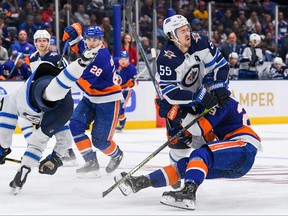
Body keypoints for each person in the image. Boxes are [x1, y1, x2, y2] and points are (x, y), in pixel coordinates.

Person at [115, 96, 262, 211]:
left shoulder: (223, 101)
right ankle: (140, 182)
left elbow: (199, 129)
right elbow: (205, 142)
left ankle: (188, 193)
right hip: (236, 163)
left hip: (244, 146)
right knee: (187, 165)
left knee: (201, 154)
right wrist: (187, 139)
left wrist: (175, 113)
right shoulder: (213, 104)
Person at [0, 47, 99, 195]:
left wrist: (54, 159)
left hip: (43, 110)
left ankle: (23, 166)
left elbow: (61, 83)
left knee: (55, 139)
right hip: (38, 109)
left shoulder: (61, 107)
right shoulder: (19, 97)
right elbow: (62, 82)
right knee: (44, 140)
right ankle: (22, 165)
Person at [154, 14, 230, 186]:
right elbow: (170, 92)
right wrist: (199, 97)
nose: (187, 33)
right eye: (182, 31)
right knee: (179, 146)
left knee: (207, 142)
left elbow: (220, 65)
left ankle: (198, 169)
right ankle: (174, 170)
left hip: (203, 95)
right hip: (178, 102)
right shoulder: (166, 58)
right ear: (172, 36)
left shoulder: (200, 42)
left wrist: (219, 87)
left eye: (187, 28)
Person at [62, 23, 124, 178]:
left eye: (95, 40)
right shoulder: (89, 48)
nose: (91, 42)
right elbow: (79, 47)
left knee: (100, 141)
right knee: (75, 125)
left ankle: (117, 155)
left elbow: (81, 84)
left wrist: (60, 82)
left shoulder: (101, 57)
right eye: (89, 39)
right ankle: (91, 162)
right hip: (91, 97)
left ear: (101, 40)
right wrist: (73, 37)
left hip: (108, 101)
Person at [18, 29, 78, 167]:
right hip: (41, 99)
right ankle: (32, 150)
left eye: (44, 40)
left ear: (48, 42)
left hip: (57, 99)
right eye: (39, 41)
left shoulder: (56, 57)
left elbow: (67, 76)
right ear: (35, 43)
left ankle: (67, 153)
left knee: (58, 124)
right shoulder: (32, 58)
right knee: (25, 121)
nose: (42, 43)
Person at [114, 50, 137, 132]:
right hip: (114, 89)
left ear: (128, 59)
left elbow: (133, 83)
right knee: (113, 106)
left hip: (126, 90)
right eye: (122, 59)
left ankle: (122, 123)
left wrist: (131, 83)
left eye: (126, 59)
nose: (123, 61)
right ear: (118, 59)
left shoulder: (132, 69)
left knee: (121, 107)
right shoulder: (113, 62)